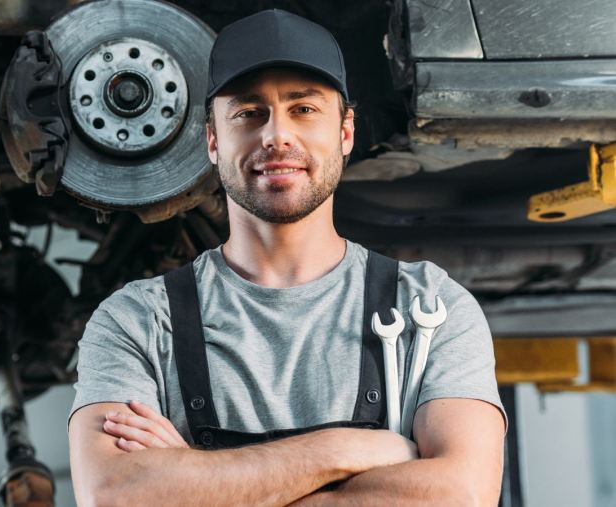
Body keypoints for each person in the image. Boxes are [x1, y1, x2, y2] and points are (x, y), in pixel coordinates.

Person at [68, 9, 506, 506]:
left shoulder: (431, 308)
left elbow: (462, 495)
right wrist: (346, 450)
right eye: (248, 113)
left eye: (303, 109)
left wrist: (193, 478)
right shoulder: (138, 322)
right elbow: (115, 496)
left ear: (345, 133)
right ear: (213, 139)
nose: (276, 135)